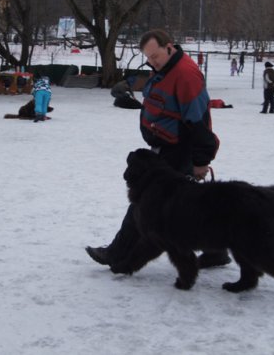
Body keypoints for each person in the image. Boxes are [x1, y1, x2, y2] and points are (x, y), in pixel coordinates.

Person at [85, 29, 230, 269]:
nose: (152, 62)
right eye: (148, 58)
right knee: (190, 203)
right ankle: (216, 251)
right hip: (166, 146)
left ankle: (118, 253)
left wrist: (201, 160)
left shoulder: (185, 75)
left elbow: (199, 121)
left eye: (156, 56)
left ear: (169, 47)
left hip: (179, 149)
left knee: (145, 199)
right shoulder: (165, 69)